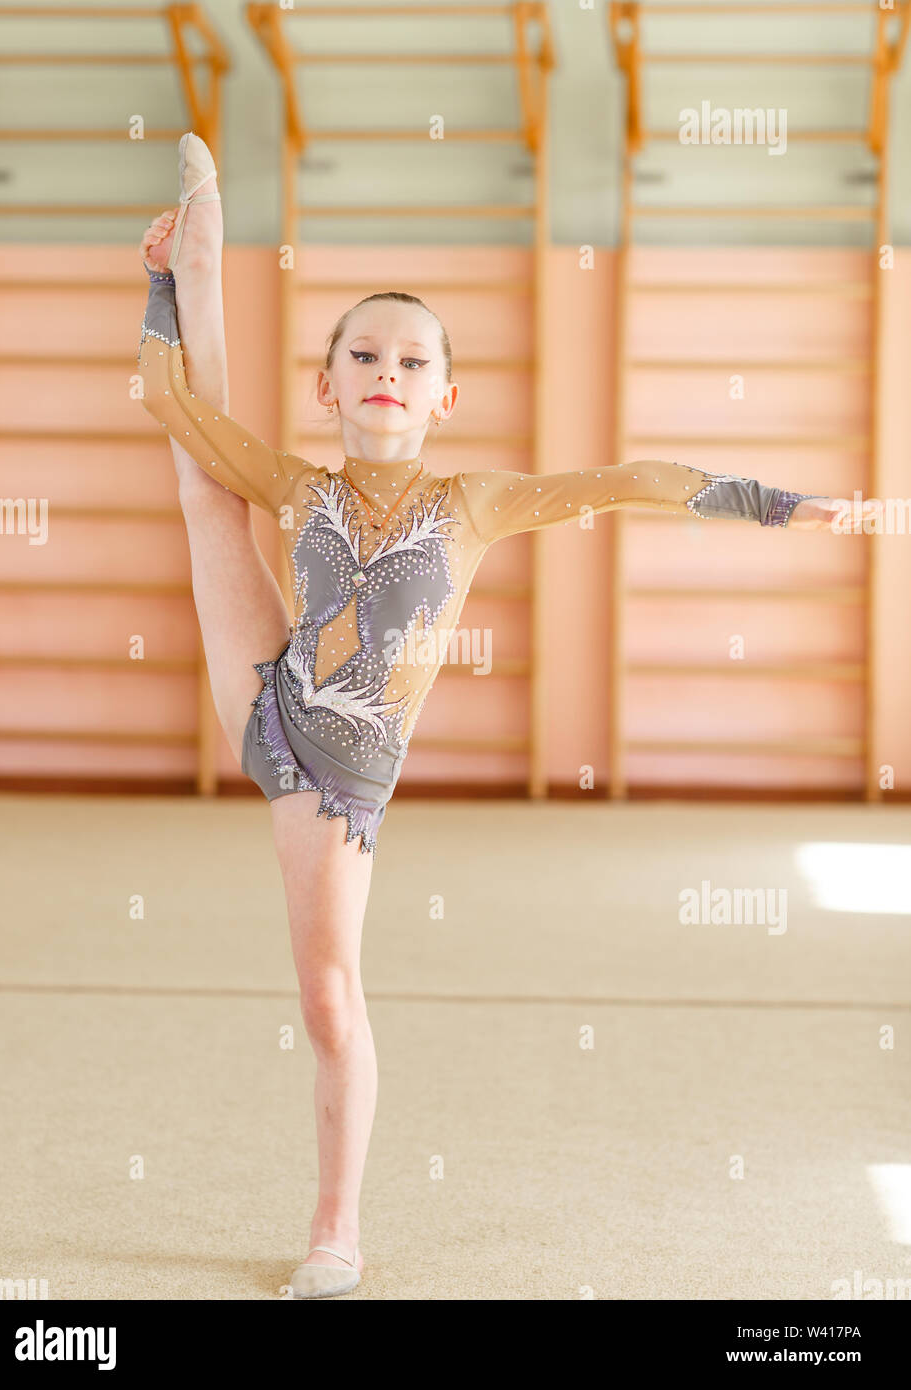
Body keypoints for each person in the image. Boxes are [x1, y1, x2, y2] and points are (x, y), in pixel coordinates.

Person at [138, 132, 860, 1299]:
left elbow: (631, 478)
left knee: (327, 995)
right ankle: (204, 230)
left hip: (334, 774)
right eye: (361, 353)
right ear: (325, 384)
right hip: (266, 696)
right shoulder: (302, 483)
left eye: (412, 360)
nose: (387, 370)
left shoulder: (476, 503)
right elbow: (171, 401)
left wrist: (775, 505)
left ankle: (336, 1234)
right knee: (204, 491)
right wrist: (163, 282)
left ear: (445, 393)